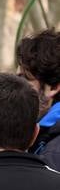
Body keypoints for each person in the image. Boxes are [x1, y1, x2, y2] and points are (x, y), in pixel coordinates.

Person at [17, 27, 60, 169]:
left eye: (24, 80)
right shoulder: (45, 135)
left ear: (53, 88)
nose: (15, 88)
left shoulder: (54, 153)